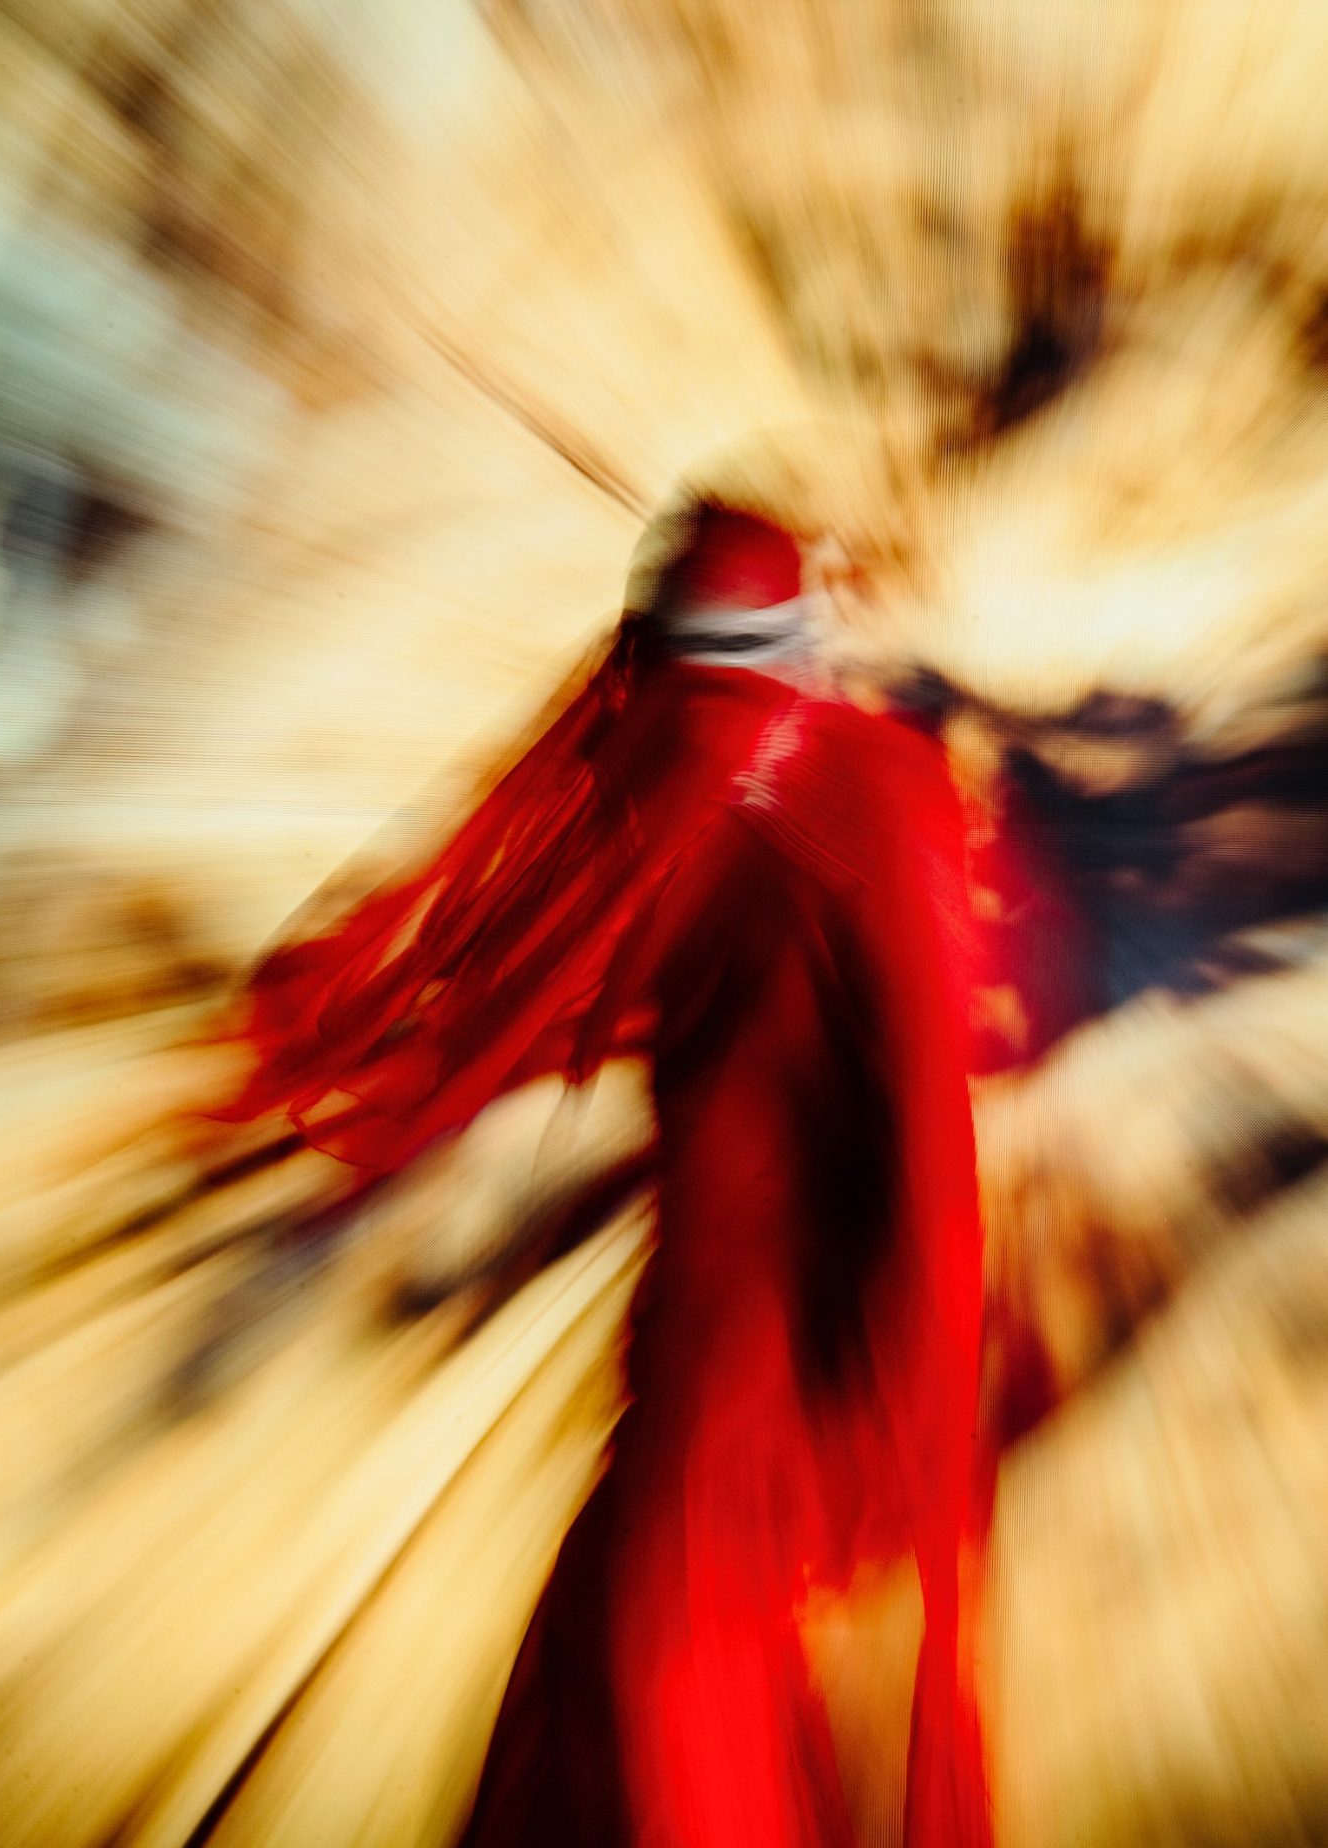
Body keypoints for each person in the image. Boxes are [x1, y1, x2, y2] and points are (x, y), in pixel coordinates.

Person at [213, 498, 993, 1847]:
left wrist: (905, 1403)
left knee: (658, 1706)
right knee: (648, 1703)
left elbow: (921, 1129)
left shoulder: (813, 798)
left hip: (765, 1377)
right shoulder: (765, 788)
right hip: (728, 1363)